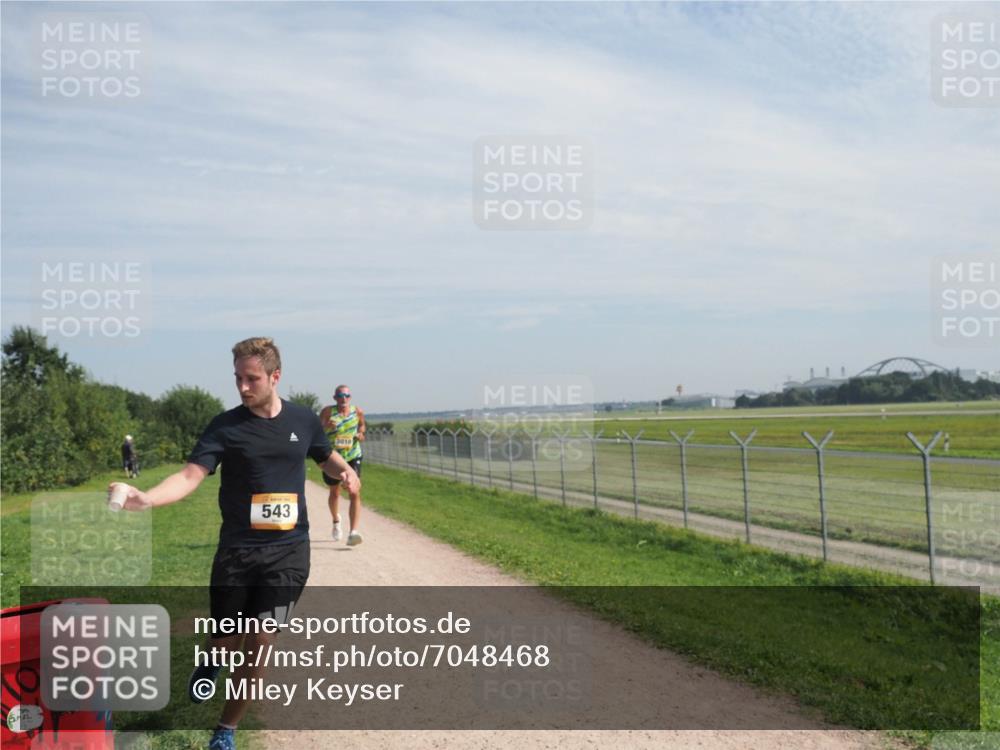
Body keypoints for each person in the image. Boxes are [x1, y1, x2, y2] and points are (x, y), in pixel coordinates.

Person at [108, 337, 359, 750]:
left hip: (289, 553)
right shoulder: (225, 426)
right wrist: (148, 497)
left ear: (275, 377)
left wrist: (345, 470)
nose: (243, 387)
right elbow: (190, 475)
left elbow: (324, 454)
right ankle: (211, 660)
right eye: (238, 378)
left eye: (252, 378)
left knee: (261, 640)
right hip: (238, 554)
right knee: (226, 643)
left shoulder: (303, 420)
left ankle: (225, 730)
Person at [319, 385, 365, 546]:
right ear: (335, 398)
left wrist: (360, 433)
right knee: (335, 492)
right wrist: (326, 426)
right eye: (340, 395)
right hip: (333, 457)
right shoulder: (327, 412)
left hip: (353, 455)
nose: (343, 398)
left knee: (354, 491)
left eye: (346, 395)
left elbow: (362, 425)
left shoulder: (357, 411)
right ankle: (336, 520)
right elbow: (316, 430)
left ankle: (353, 532)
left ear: (350, 397)